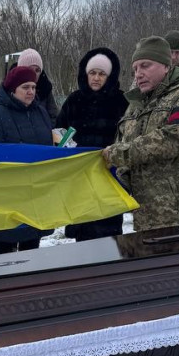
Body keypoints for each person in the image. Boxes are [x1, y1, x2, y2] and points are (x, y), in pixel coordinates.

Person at [103, 36, 179, 230]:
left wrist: (120, 153)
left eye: (145, 66)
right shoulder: (137, 105)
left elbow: (176, 137)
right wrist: (121, 175)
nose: (138, 74)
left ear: (166, 66)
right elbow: (126, 140)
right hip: (147, 211)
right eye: (135, 69)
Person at [0, 65, 55, 253]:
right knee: (4, 246)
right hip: (7, 194)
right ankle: (2, 282)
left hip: (35, 192)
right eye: (25, 87)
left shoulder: (40, 113)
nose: (31, 92)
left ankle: (30, 281)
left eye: (33, 87)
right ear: (13, 89)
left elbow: (46, 147)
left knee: (31, 244)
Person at [55, 47, 129, 241]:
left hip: (109, 178)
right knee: (83, 233)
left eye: (102, 74)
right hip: (79, 178)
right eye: (93, 73)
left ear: (109, 76)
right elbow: (59, 131)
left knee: (108, 234)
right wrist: (68, 150)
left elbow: (128, 137)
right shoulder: (74, 101)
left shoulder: (121, 102)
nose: (96, 78)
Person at [16, 48, 59, 122]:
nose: (34, 74)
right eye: (30, 69)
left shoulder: (45, 89)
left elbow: (54, 118)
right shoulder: (9, 88)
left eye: (37, 70)